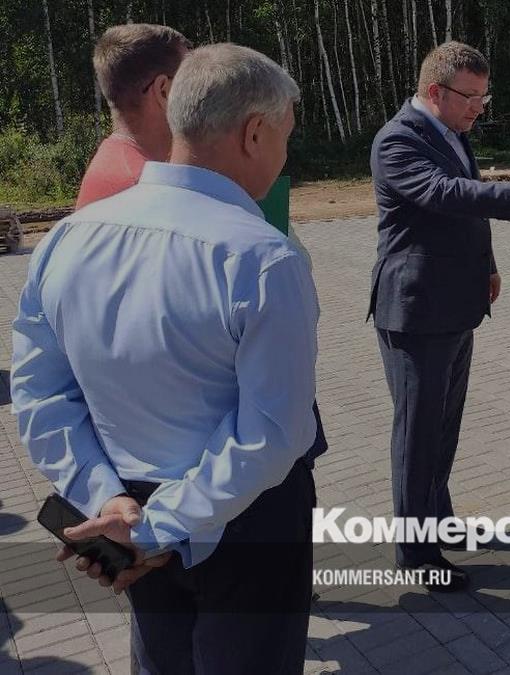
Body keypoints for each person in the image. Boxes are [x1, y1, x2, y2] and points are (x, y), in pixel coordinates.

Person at [11, 44, 318, 673]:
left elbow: (40, 395)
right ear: (254, 133)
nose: (285, 155)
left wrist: (107, 501)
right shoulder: (262, 258)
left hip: (124, 505)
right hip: (241, 519)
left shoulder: (68, 238)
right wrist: (156, 528)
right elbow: (272, 432)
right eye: (285, 136)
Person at [369, 40, 510, 590]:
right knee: (417, 435)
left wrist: (487, 264)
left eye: (483, 98)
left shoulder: (452, 132)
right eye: (471, 97)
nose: (478, 109)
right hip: (416, 311)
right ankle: (416, 554)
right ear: (434, 91)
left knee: (443, 427)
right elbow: (444, 193)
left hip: (455, 305)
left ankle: (437, 519)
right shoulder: (398, 140)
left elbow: (467, 208)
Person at [76, 23, 191, 209]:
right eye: (189, 80)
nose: (198, 93)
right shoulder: (145, 189)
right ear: (164, 91)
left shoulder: (114, 162)